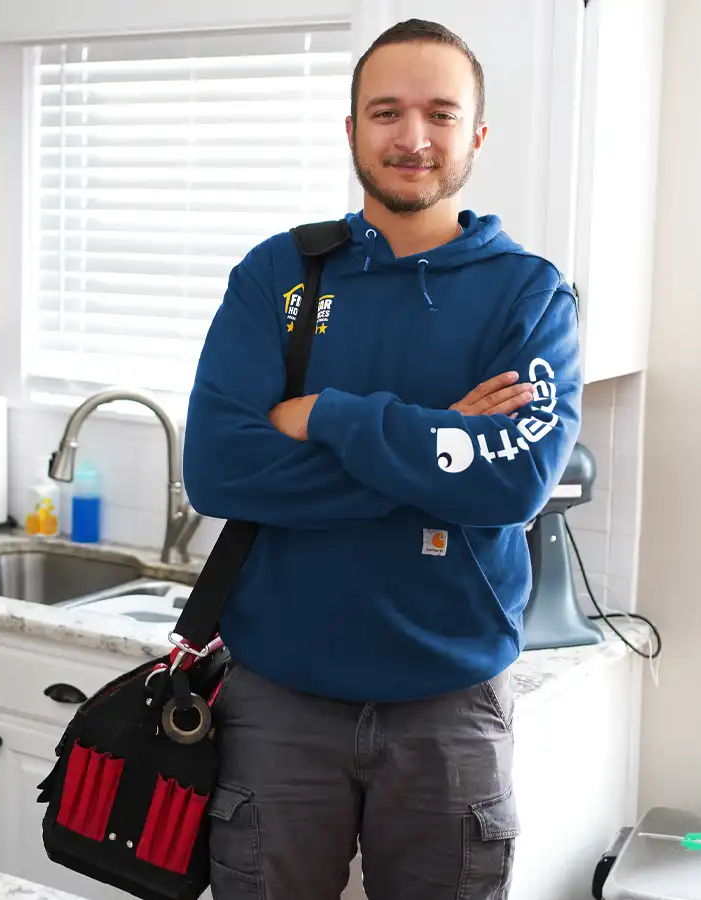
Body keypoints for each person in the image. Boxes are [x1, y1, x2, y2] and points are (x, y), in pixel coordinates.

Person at [182, 17, 581, 900]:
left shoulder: (530, 293)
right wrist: (439, 450)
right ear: (352, 129)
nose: (412, 137)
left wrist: (329, 414)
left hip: (451, 709)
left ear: (475, 135)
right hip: (277, 701)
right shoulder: (279, 278)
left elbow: (512, 481)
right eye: (386, 112)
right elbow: (217, 469)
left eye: (440, 114)